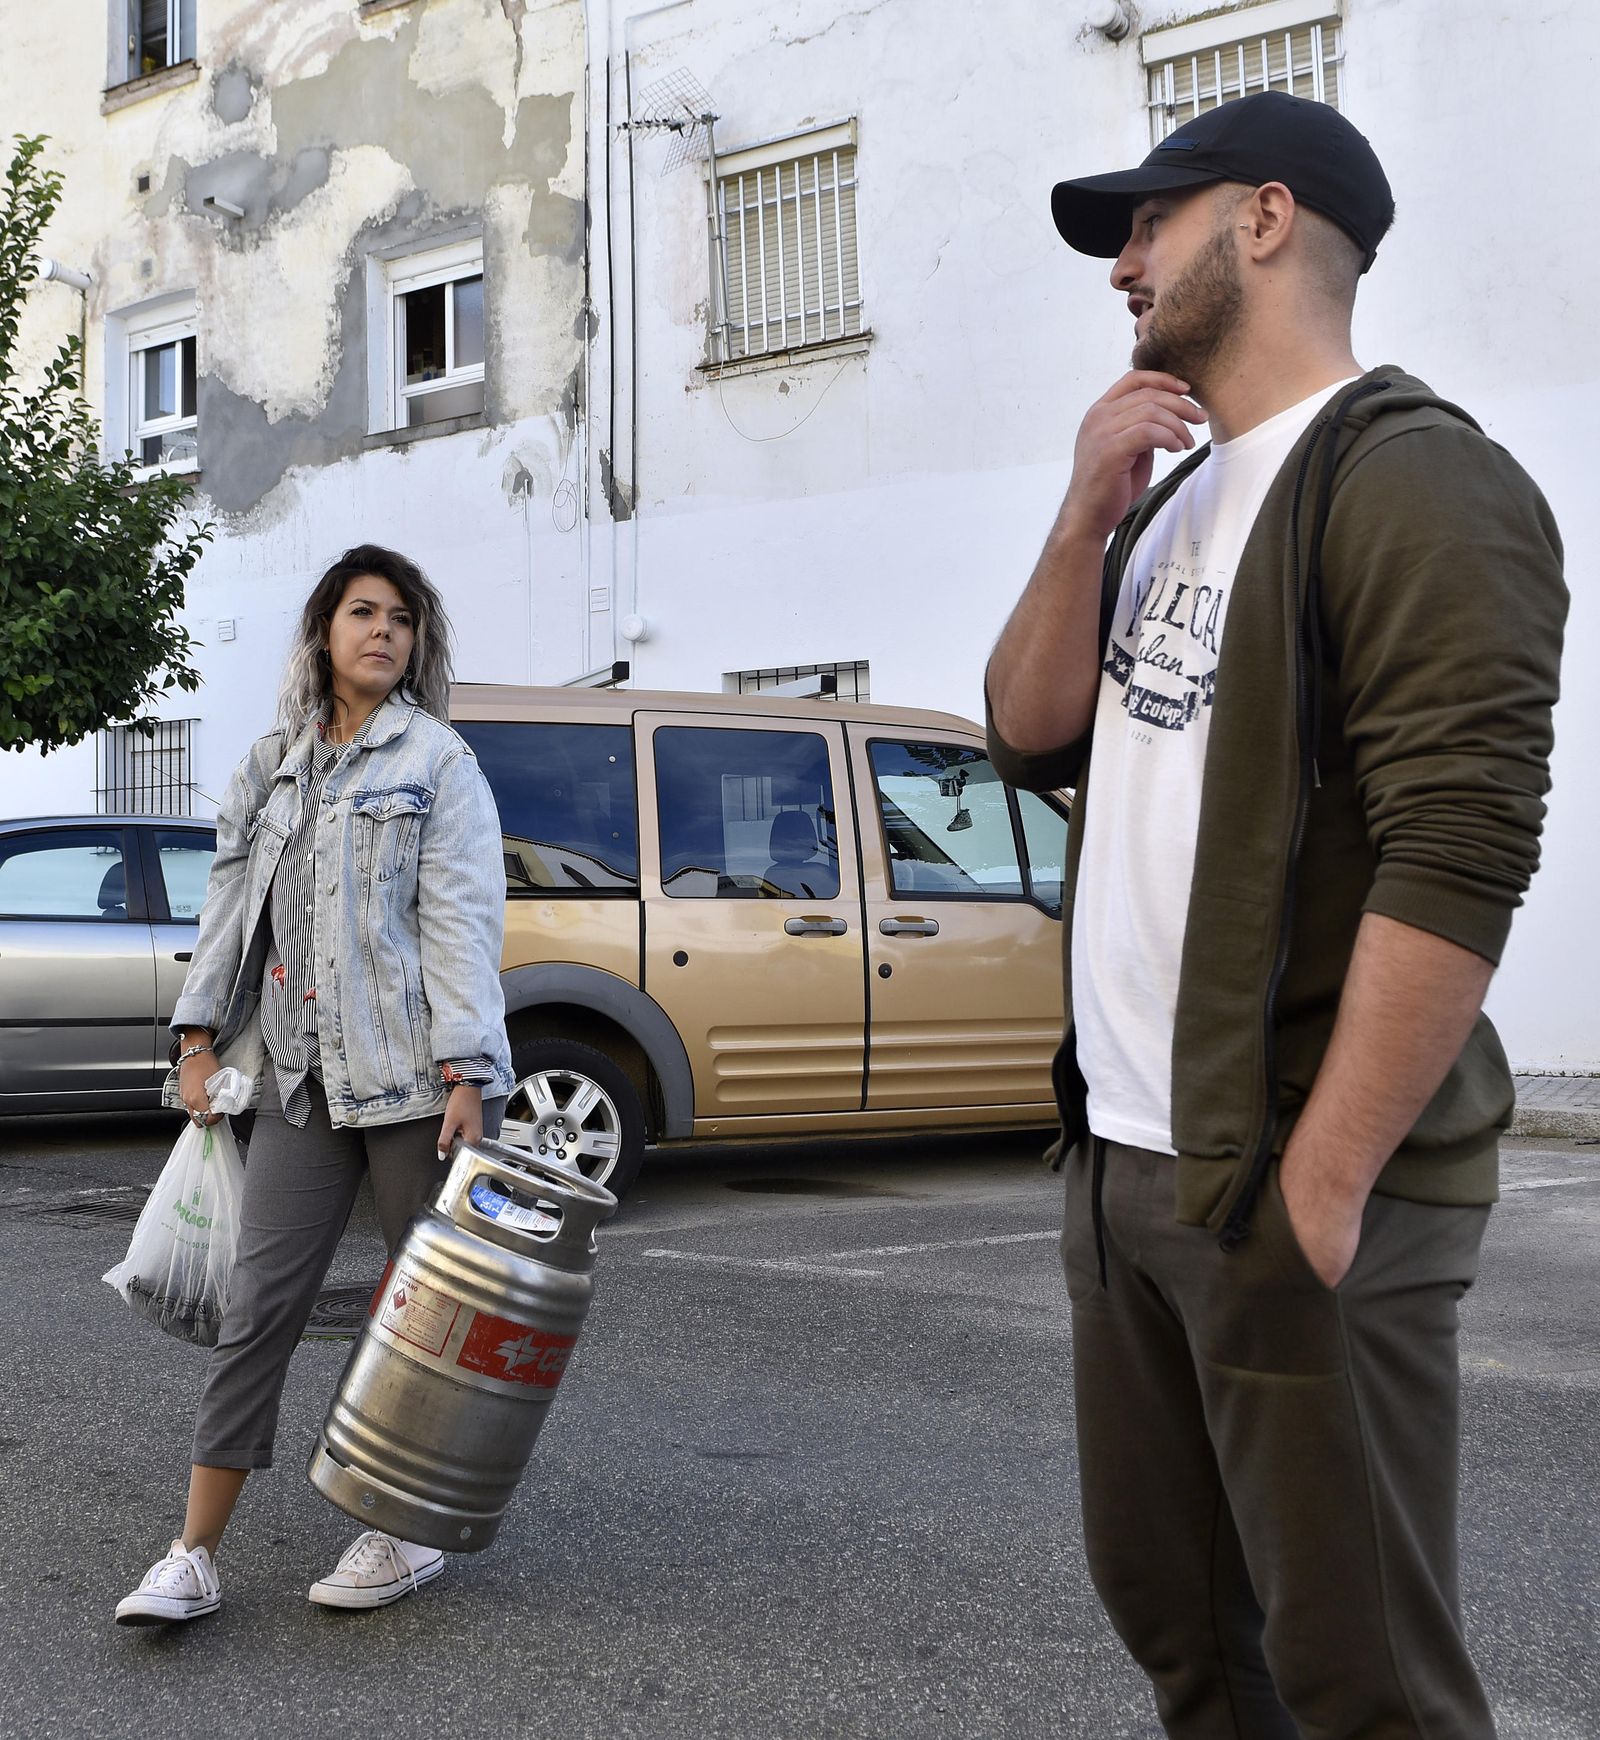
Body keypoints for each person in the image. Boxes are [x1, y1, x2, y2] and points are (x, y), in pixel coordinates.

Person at [985, 93, 1565, 1738]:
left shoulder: (1419, 480)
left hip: (1295, 1174)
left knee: (1364, 1682)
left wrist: (1324, 1189)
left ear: (1262, 218)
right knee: (1184, 1632)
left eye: (1147, 224)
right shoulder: (1164, 499)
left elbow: (1459, 852)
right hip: (1131, 1166)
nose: (1120, 265)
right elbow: (1027, 732)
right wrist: (1083, 513)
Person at [116, 545, 516, 1625]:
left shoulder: (439, 762)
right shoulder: (271, 765)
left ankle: (405, 1529)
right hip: (299, 1080)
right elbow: (227, 911)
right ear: (324, 633)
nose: (384, 632)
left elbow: (461, 924)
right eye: (363, 613)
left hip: (417, 1083)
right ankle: (194, 1554)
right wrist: (195, 1037)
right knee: (257, 1310)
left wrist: (469, 1071)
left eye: (402, 619)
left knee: (422, 1314)